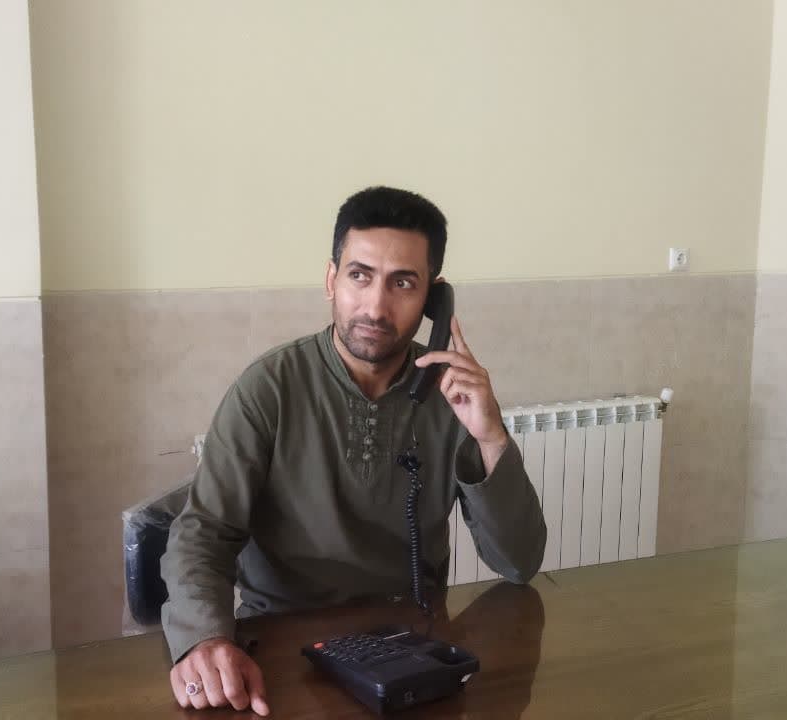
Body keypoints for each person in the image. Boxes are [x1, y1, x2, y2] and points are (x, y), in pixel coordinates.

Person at [160, 186, 547, 715]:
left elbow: (520, 563)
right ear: (331, 280)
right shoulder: (269, 388)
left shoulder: (451, 396)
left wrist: (490, 436)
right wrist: (204, 640)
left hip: (412, 651)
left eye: (403, 283)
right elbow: (203, 532)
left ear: (433, 300)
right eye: (359, 275)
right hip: (284, 647)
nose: (376, 307)